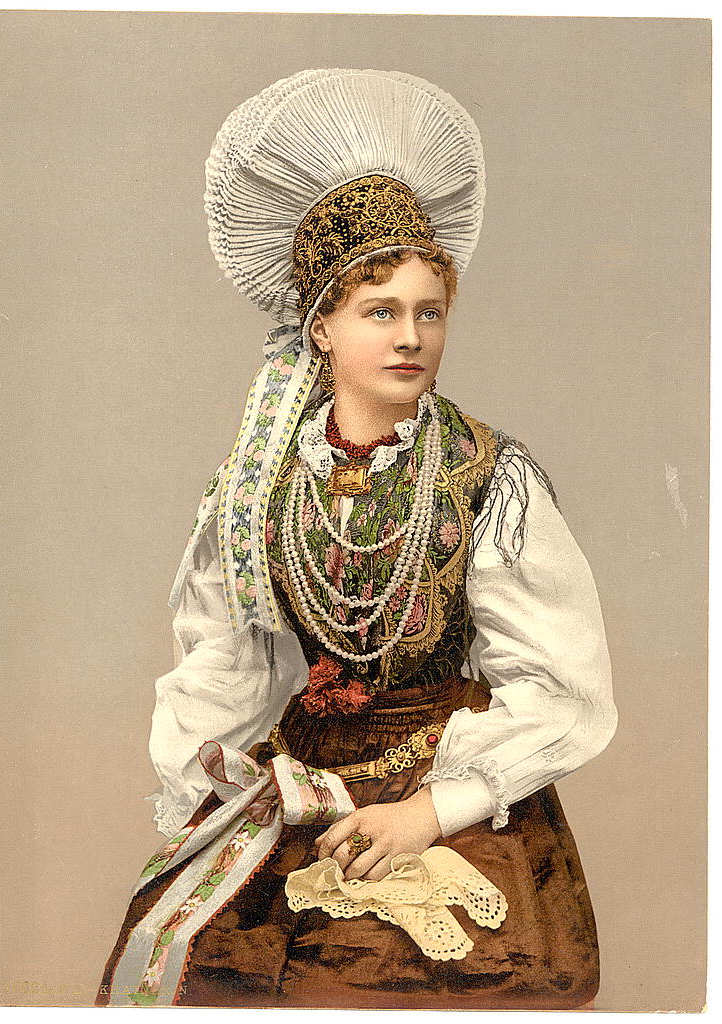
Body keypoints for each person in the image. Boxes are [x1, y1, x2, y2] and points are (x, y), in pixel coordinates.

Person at [97, 68, 617, 1010]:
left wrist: (429, 810)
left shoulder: (485, 476)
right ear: (322, 327)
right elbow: (225, 667)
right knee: (203, 971)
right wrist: (207, 801)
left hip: (453, 796)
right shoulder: (253, 489)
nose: (410, 336)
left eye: (429, 312)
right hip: (304, 794)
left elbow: (560, 690)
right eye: (381, 312)